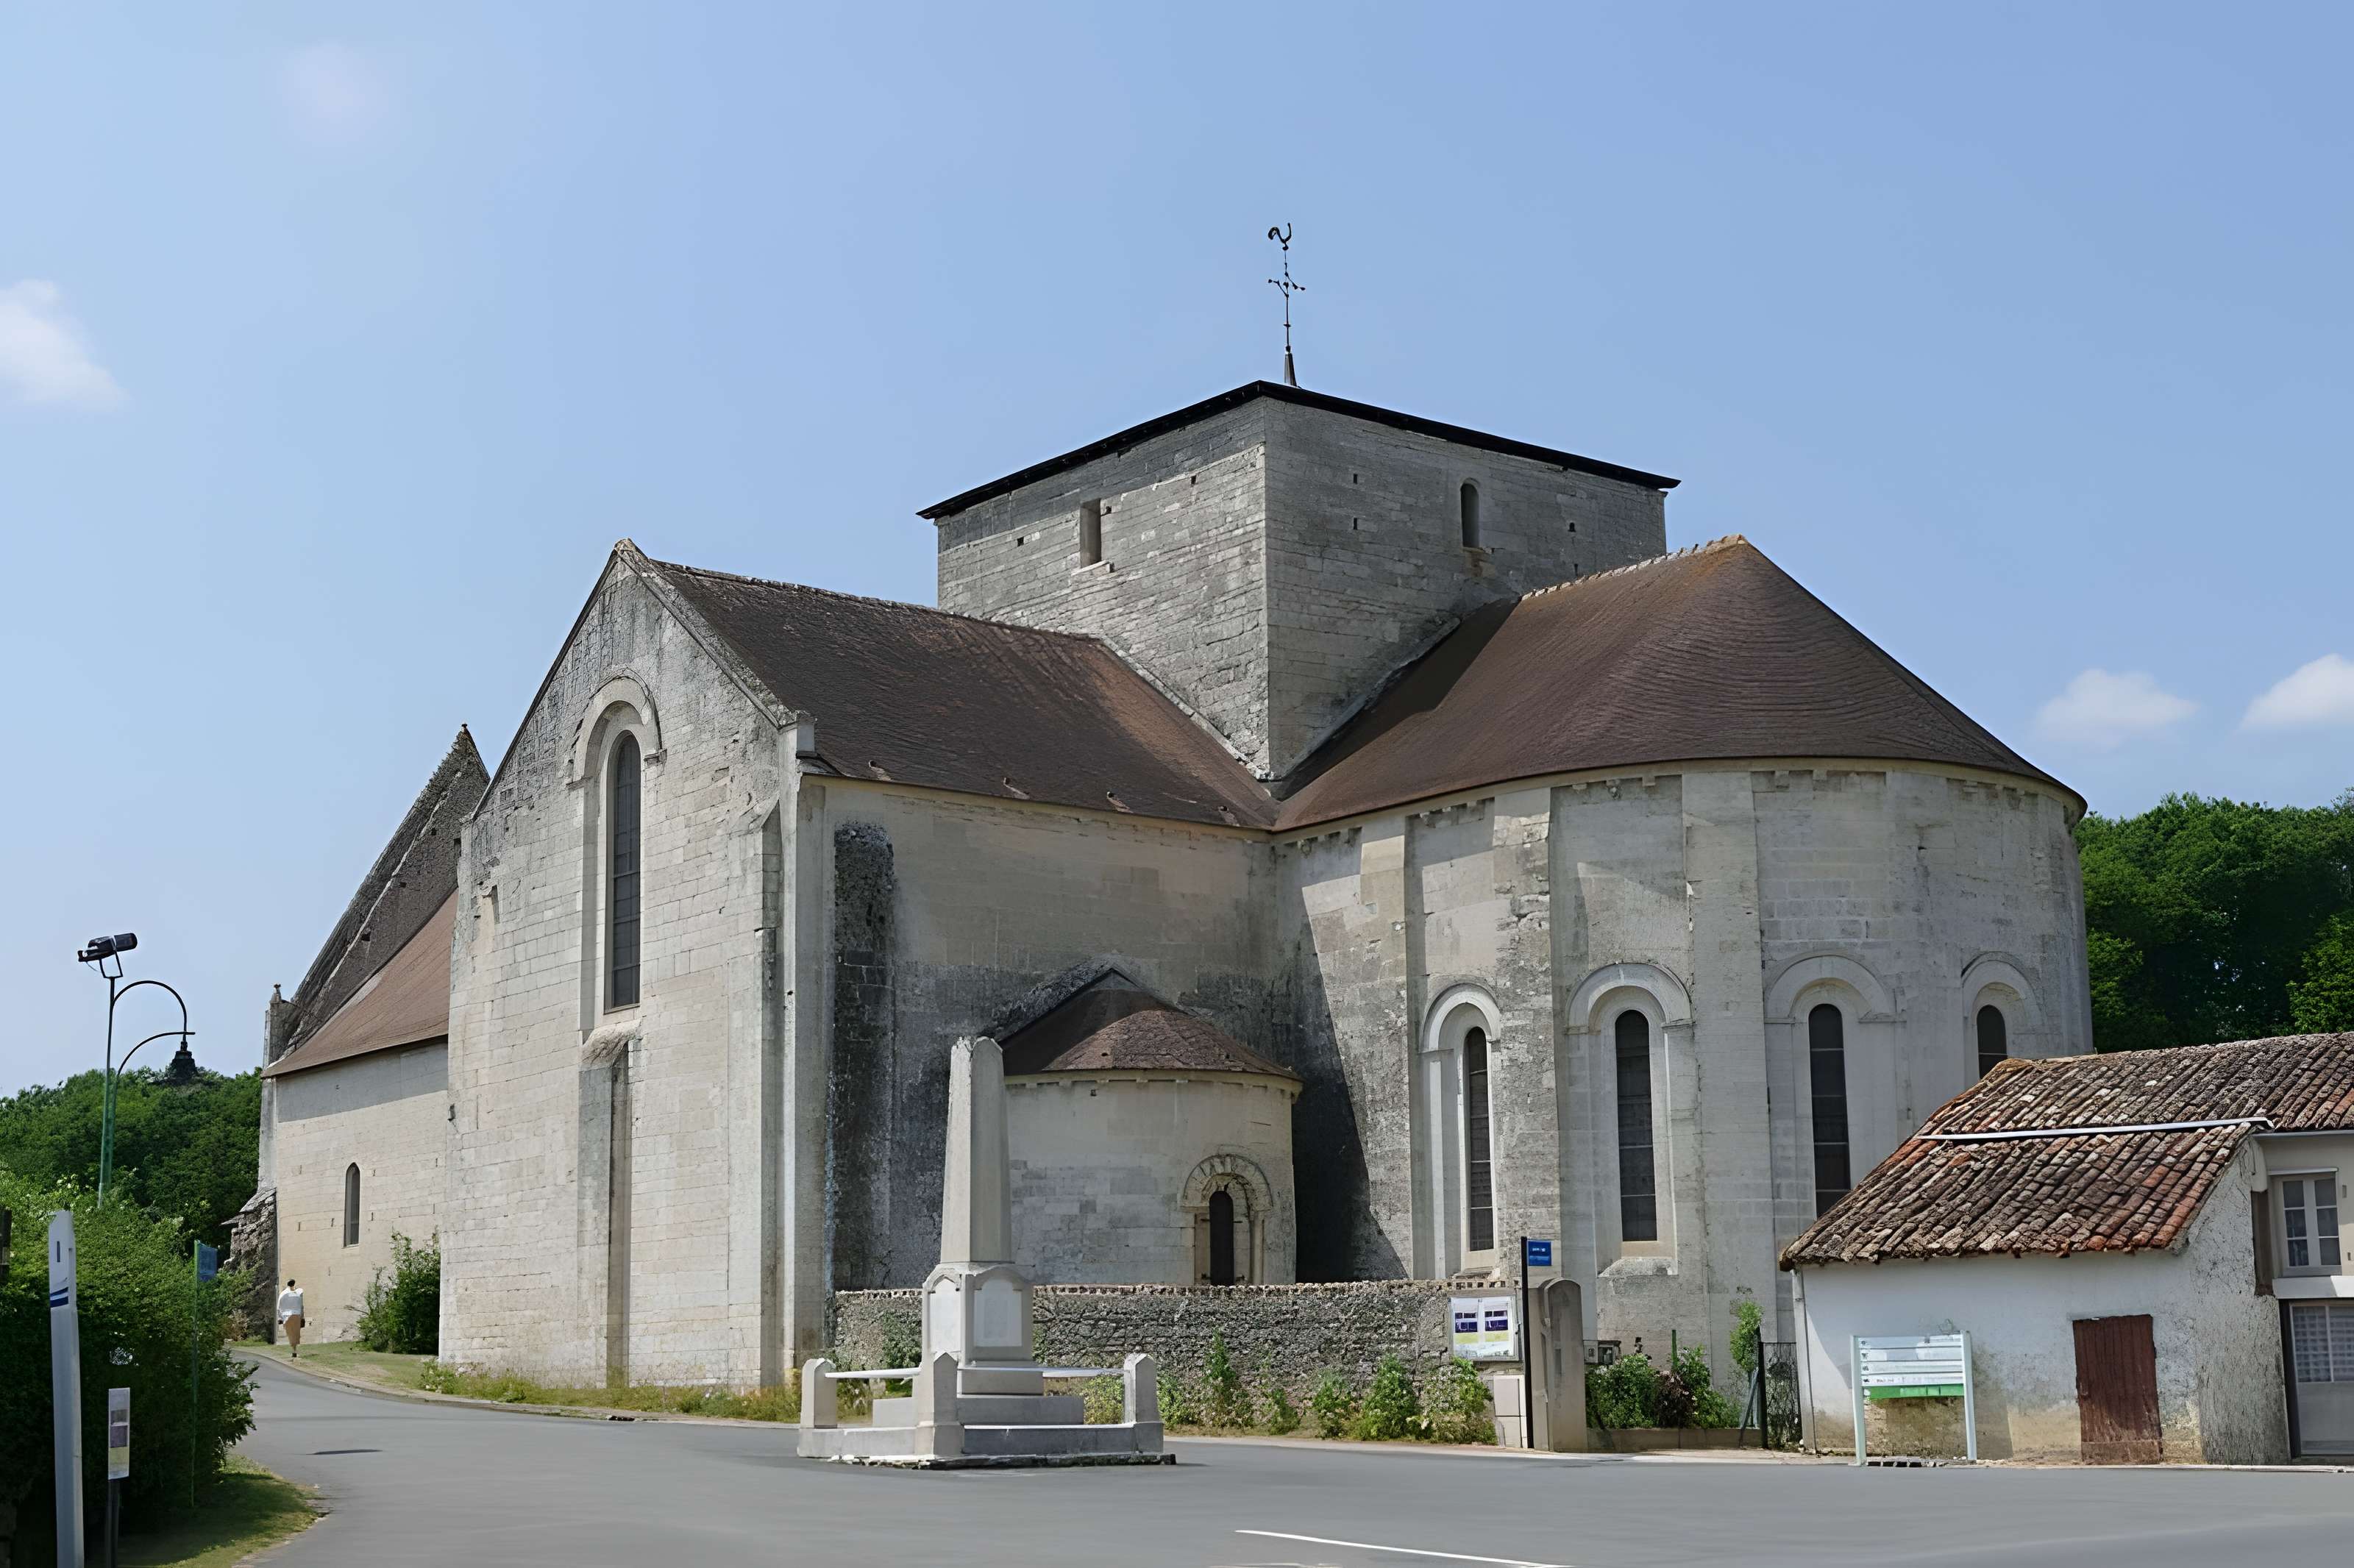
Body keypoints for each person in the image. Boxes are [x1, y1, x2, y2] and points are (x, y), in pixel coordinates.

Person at [278, 1277, 306, 1357]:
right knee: (296, 1334)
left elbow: (279, 1307)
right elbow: (301, 1307)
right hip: (297, 1315)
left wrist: (280, 1318)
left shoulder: (283, 1294)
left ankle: (294, 1350)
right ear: (294, 1284)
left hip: (287, 1317)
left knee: (291, 1334)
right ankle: (295, 1350)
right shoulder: (298, 1294)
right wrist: (302, 1317)